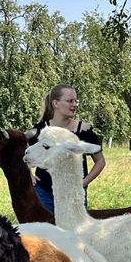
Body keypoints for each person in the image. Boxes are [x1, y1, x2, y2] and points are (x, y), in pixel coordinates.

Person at [30, 84, 105, 213]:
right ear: (56, 103)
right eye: (70, 101)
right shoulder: (40, 129)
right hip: (44, 194)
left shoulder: (84, 130)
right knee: (46, 233)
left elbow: (100, 161)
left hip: (73, 196)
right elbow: (20, 151)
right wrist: (28, 174)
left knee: (74, 232)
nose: (75, 104)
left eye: (76, 101)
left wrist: (82, 183)